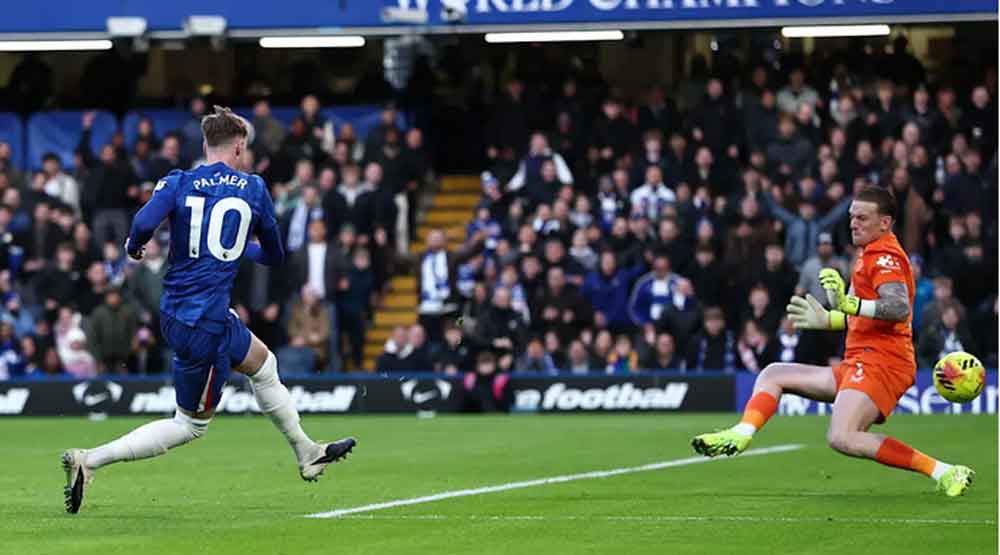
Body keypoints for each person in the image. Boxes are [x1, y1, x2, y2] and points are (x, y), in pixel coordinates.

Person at [61, 106, 355, 515]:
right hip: (205, 324)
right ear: (240, 147)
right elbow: (275, 256)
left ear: (204, 145)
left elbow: (143, 223)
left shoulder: (179, 180)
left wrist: (133, 247)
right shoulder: (253, 188)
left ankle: (307, 451)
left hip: (182, 312)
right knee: (189, 424)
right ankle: (90, 460)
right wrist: (239, 249)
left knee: (264, 364)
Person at [692, 186, 973, 497]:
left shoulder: (886, 257)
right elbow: (865, 315)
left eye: (862, 218)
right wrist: (829, 319)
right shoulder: (868, 254)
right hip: (860, 360)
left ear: (885, 223)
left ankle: (944, 471)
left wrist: (850, 305)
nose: (853, 223)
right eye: (852, 216)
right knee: (773, 374)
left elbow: (898, 308)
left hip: (882, 362)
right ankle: (740, 433)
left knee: (843, 436)